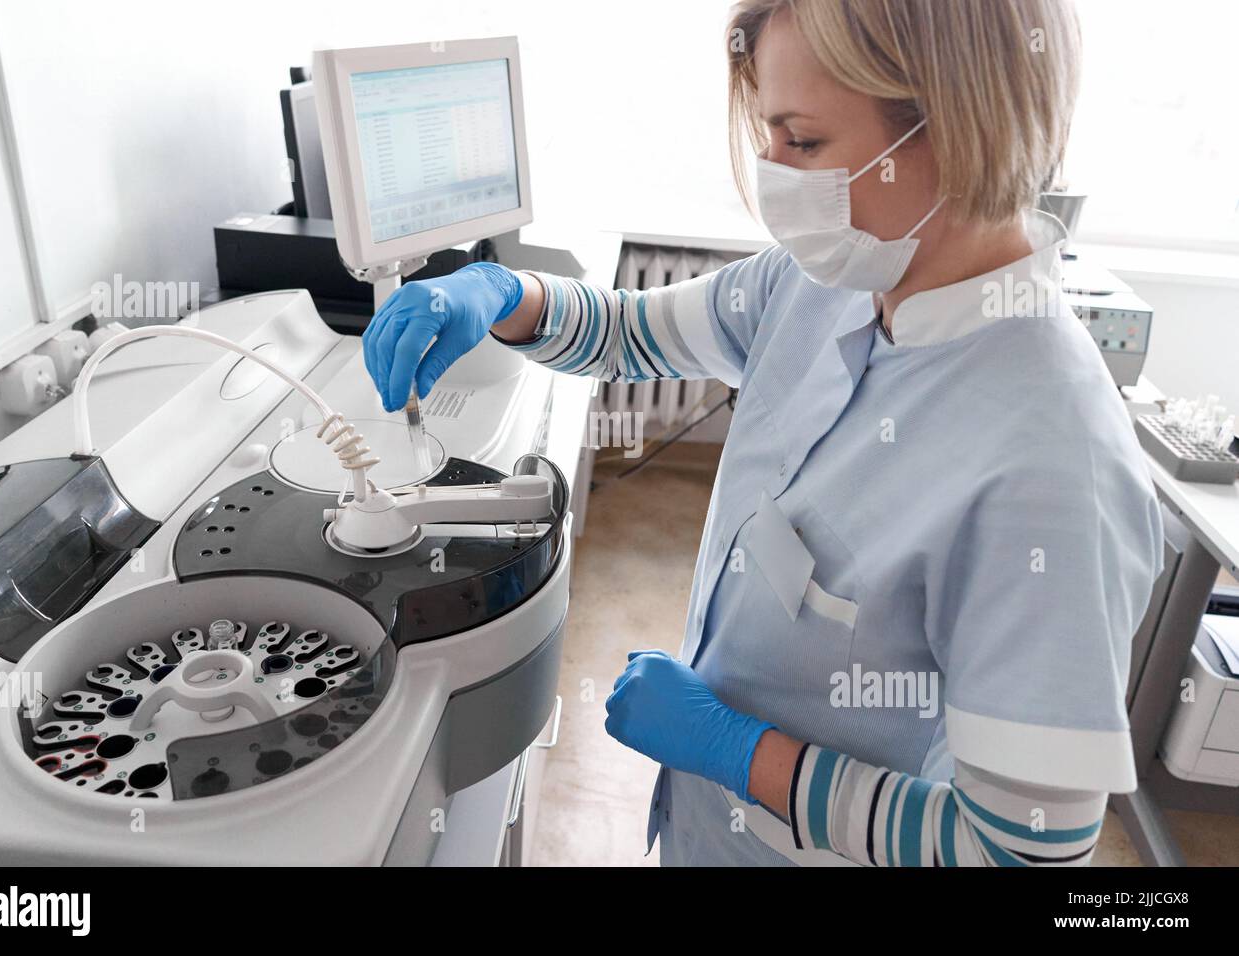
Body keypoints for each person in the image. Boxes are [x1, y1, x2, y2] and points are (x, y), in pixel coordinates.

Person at [362, 0, 1163, 866]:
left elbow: (1021, 849)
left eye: (805, 142)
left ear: (959, 127)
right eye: (769, 134)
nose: (774, 169)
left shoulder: (1051, 468)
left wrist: (737, 751)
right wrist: (500, 296)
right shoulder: (840, 276)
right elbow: (630, 332)